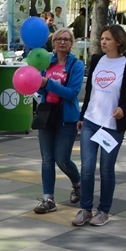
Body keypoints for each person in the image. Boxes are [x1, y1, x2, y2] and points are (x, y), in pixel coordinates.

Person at [74, 25, 126, 227]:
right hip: (91, 121)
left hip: (112, 126)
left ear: (119, 42)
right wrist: (82, 115)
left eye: (108, 39)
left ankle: (103, 210)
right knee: (87, 168)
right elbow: (90, 91)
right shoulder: (97, 60)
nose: (103, 42)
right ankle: (85, 208)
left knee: (106, 169)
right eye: (102, 38)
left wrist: (125, 108)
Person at [32, 28, 85, 213]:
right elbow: (40, 88)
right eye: (59, 39)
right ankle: (48, 199)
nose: (62, 42)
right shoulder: (46, 62)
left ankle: (77, 184)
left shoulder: (76, 65)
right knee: (47, 159)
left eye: (66, 39)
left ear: (71, 43)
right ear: (53, 43)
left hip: (66, 117)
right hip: (47, 114)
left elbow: (72, 93)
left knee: (62, 159)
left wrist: (48, 83)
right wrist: (38, 84)